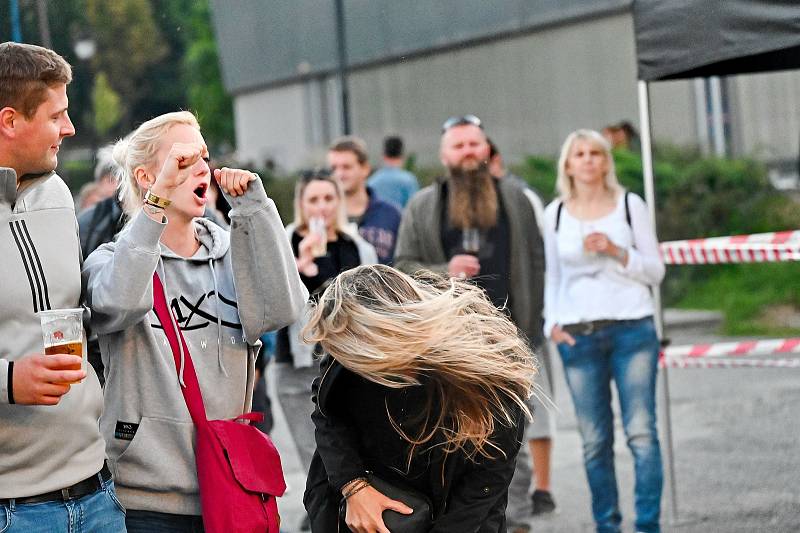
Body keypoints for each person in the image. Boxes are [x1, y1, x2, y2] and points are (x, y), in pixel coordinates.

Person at [82, 111, 307, 531]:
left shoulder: (231, 253)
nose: (202, 167)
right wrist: (159, 202)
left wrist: (255, 209)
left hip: (233, 483)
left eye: (203, 155)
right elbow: (121, 302)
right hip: (149, 499)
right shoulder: (110, 260)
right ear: (146, 177)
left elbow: (284, 310)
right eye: (183, 159)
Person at [394, 115, 556, 529]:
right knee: (446, 438)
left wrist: (532, 330)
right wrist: (442, 269)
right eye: (459, 145)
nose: (468, 152)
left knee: (510, 435)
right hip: (446, 343)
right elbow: (402, 266)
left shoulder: (515, 199)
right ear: (444, 155)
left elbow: (537, 265)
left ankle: (515, 521)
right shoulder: (423, 205)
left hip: (507, 343)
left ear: (487, 149)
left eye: (474, 144)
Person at [303, 264, 536, 532]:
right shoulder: (350, 341)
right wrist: (353, 486)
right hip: (361, 513)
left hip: (460, 516)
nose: (354, 362)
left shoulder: (483, 367)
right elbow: (328, 412)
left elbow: (487, 480)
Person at [0, 41, 125, 532]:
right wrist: (8, 380)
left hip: (96, 493)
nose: (69, 130)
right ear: (10, 121)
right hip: (12, 510)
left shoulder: (57, 192)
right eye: (57, 116)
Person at [543, 129, 665, 533]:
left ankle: (647, 525)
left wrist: (617, 251)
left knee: (641, 434)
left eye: (596, 152)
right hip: (578, 335)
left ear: (606, 161)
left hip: (632, 327)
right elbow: (553, 276)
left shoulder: (629, 205)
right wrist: (552, 323)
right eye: (580, 153)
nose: (588, 159)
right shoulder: (555, 212)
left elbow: (656, 271)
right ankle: (606, 526)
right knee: (595, 441)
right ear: (568, 164)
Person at [274, 168, 377, 531]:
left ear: (340, 201)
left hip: (348, 364)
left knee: (348, 449)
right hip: (299, 364)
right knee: (311, 452)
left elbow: (372, 301)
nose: (321, 207)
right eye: (313, 199)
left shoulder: (357, 246)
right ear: (301, 204)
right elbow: (272, 303)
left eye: (328, 198)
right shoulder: (285, 242)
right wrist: (298, 268)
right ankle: (323, 514)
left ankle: (334, 515)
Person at [327, 136, 401, 264]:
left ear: (365, 168)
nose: (339, 174)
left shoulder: (392, 214)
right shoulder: (325, 216)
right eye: (334, 168)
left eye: (346, 167)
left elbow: (403, 262)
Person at [366, 135, 419, 209]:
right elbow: (414, 207)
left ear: (383, 156)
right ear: (402, 156)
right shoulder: (409, 180)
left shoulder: (372, 181)